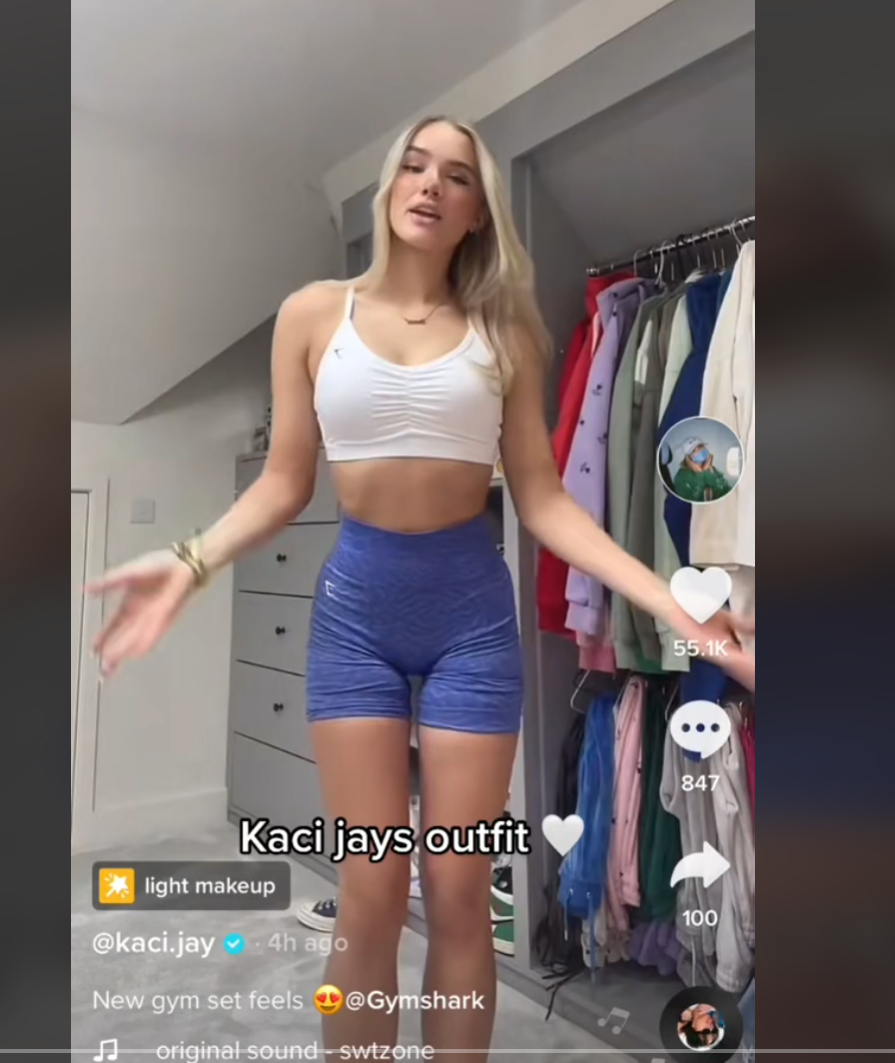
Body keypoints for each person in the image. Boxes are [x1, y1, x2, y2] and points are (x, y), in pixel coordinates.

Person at [88, 116, 755, 1060]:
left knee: (455, 890)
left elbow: (543, 500)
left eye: (457, 175)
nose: (430, 184)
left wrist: (672, 602)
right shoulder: (312, 314)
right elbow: (284, 484)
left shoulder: (507, 331)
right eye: (413, 165)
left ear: (479, 210)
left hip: (469, 622)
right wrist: (190, 560)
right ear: (388, 187)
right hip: (354, 619)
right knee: (368, 889)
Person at [672, 436, 733, 503]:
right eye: (694, 450)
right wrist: (700, 475)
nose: (700, 451)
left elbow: (725, 491)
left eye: (700, 446)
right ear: (688, 458)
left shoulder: (712, 469)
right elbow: (689, 503)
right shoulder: (681, 477)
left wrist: (707, 472)